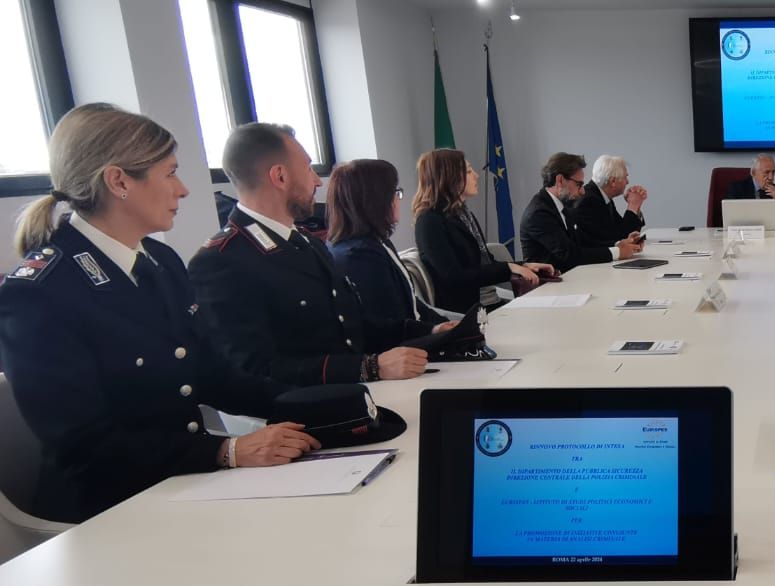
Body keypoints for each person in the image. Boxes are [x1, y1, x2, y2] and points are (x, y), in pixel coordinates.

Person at [0, 104, 320, 523]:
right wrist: (227, 450)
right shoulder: (39, 292)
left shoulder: (159, 260)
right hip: (108, 513)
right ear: (119, 181)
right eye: (169, 173)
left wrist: (319, 407)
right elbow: (84, 447)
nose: (183, 189)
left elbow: (213, 375)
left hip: (181, 482)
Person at [189, 123, 452, 386]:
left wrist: (433, 330)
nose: (317, 181)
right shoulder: (222, 261)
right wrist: (369, 368)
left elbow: (352, 324)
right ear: (280, 176)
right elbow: (254, 369)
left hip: (357, 392)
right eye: (308, 168)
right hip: (309, 405)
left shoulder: (306, 241)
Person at [413, 149, 555, 313]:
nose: (476, 175)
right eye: (468, 171)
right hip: (467, 313)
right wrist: (509, 268)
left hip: (490, 302)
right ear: (448, 177)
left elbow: (485, 263)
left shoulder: (463, 214)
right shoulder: (429, 221)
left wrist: (524, 265)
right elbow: (453, 277)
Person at [325, 159, 447, 325]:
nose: (398, 199)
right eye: (395, 192)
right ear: (376, 200)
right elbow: (389, 326)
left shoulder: (377, 241)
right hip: (411, 339)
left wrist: (445, 324)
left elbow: (411, 302)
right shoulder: (361, 257)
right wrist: (435, 330)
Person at [518, 152, 643, 272]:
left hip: (569, 276)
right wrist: (617, 252)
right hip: (547, 282)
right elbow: (569, 255)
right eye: (579, 184)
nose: (583, 191)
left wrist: (619, 244)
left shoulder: (560, 205)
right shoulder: (539, 213)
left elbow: (582, 241)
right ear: (560, 180)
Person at [571, 154, 647, 243]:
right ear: (613, 181)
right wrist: (633, 205)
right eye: (625, 177)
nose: (627, 182)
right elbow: (619, 238)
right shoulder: (589, 201)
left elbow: (626, 231)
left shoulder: (602, 196)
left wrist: (636, 206)